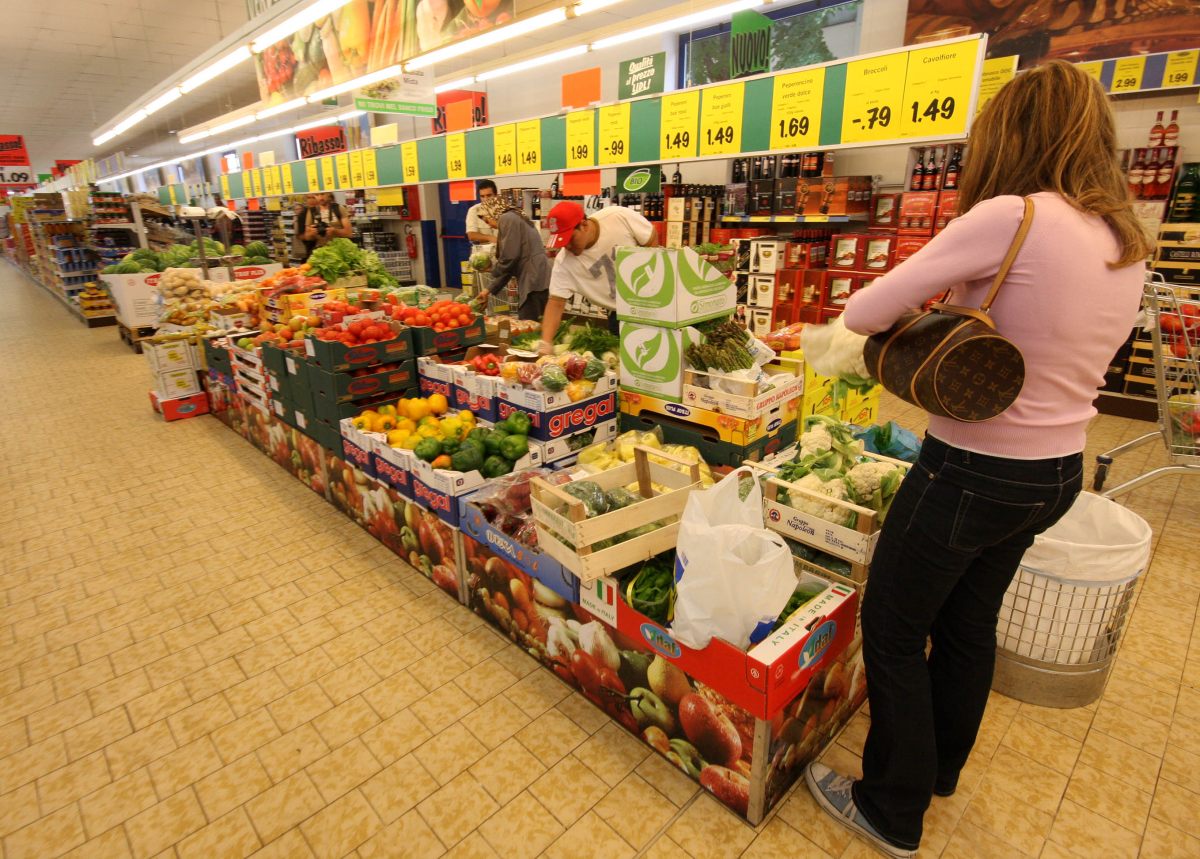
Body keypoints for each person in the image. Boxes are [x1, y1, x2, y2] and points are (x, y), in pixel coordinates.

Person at [804, 60, 1150, 859]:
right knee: (968, 622)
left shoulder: (1012, 216)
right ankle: (939, 771)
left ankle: (890, 808)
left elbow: (865, 309)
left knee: (893, 626)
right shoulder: (1123, 238)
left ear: (1010, 136)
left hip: (970, 466)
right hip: (1058, 471)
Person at [538, 200, 659, 353]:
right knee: (627, 359)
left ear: (584, 225)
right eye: (562, 243)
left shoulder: (618, 217)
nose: (567, 247)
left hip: (651, 305)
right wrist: (546, 343)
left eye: (570, 239)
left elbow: (651, 239)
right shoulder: (564, 263)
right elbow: (556, 303)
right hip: (617, 314)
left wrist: (651, 284)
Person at [473, 196, 550, 321]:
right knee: (537, 321)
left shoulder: (507, 218)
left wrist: (493, 268)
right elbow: (511, 264)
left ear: (492, 213)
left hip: (533, 277)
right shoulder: (515, 217)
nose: (490, 226)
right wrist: (487, 290)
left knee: (528, 322)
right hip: (537, 276)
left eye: (487, 221)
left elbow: (510, 257)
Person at [465, 179, 498, 246]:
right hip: (483, 251)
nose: (485, 199)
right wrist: (490, 238)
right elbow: (471, 235)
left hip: (503, 250)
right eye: (482, 196)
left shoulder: (503, 210)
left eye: (489, 195)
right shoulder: (473, 210)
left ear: (495, 195)